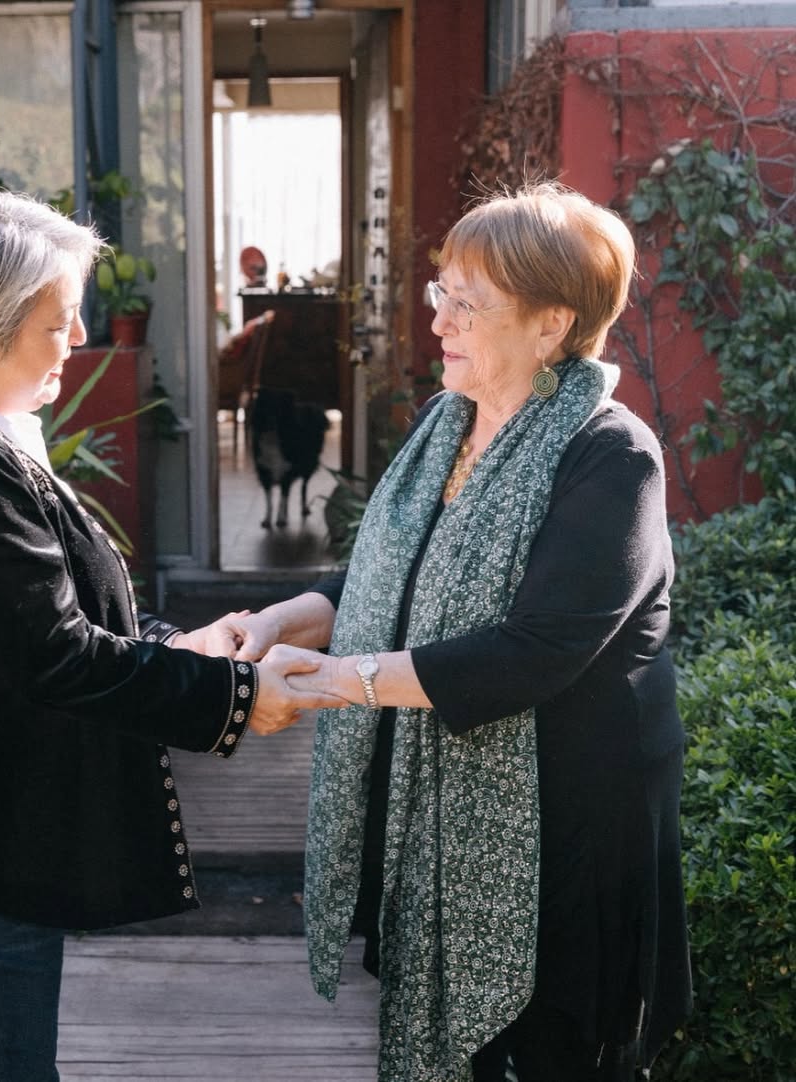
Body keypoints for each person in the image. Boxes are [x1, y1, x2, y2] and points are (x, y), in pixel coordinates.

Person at [0, 185, 342, 1082]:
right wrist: (238, 699)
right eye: (59, 325)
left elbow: (32, 629)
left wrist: (186, 647)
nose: (78, 344)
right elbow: (55, 659)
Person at [226, 183, 693, 1081]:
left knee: (559, 1050)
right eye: (441, 291)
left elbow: (536, 651)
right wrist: (285, 619)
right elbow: (383, 580)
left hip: (573, 815)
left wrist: (325, 683)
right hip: (445, 802)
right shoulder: (451, 422)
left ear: (552, 325)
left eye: (466, 303)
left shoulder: (611, 453)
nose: (437, 317)